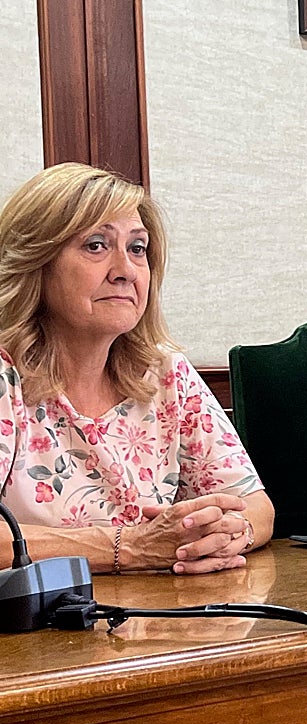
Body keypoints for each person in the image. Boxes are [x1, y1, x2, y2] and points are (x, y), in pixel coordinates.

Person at [0, 163, 274, 574]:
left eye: (137, 248)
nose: (125, 270)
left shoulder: (163, 372)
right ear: (36, 261)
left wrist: (225, 534)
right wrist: (128, 547)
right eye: (96, 245)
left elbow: (255, 505)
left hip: (162, 618)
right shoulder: (6, 377)